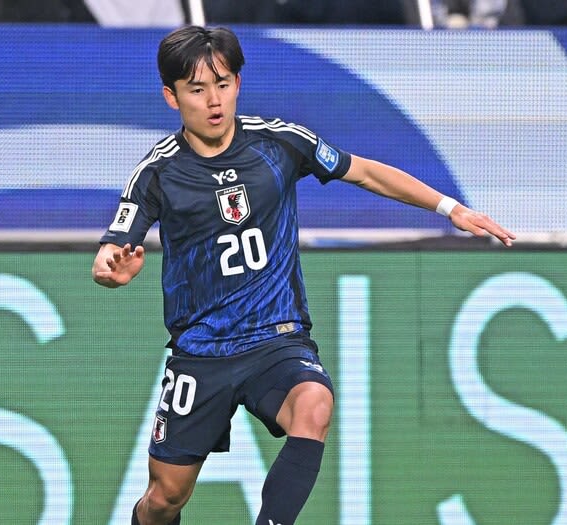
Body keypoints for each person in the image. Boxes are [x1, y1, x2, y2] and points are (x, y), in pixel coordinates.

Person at [92, 25, 516, 525]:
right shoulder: (158, 172)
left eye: (223, 84)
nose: (214, 100)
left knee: (314, 404)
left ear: (237, 83)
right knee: (165, 499)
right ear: (172, 96)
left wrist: (450, 208)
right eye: (197, 89)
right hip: (202, 353)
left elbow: (365, 172)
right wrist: (112, 271)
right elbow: (109, 253)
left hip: (277, 338)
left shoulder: (280, 142)